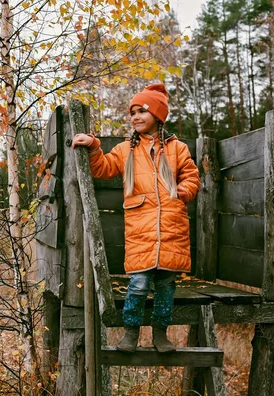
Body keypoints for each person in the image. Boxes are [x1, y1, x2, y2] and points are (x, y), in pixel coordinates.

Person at [70, 83, 200, 353]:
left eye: (143, 111)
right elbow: (103, 169)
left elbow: (191, 177)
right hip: (140, 229)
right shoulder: (126, 150)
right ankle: (130, 331)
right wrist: (93, 145)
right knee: (139, 284)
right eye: (133, 113)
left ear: (158, 116)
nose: (136, 117)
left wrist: (180, 194)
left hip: (171, 228)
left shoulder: (178, 149)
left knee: (166, 285)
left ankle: (161, 333)